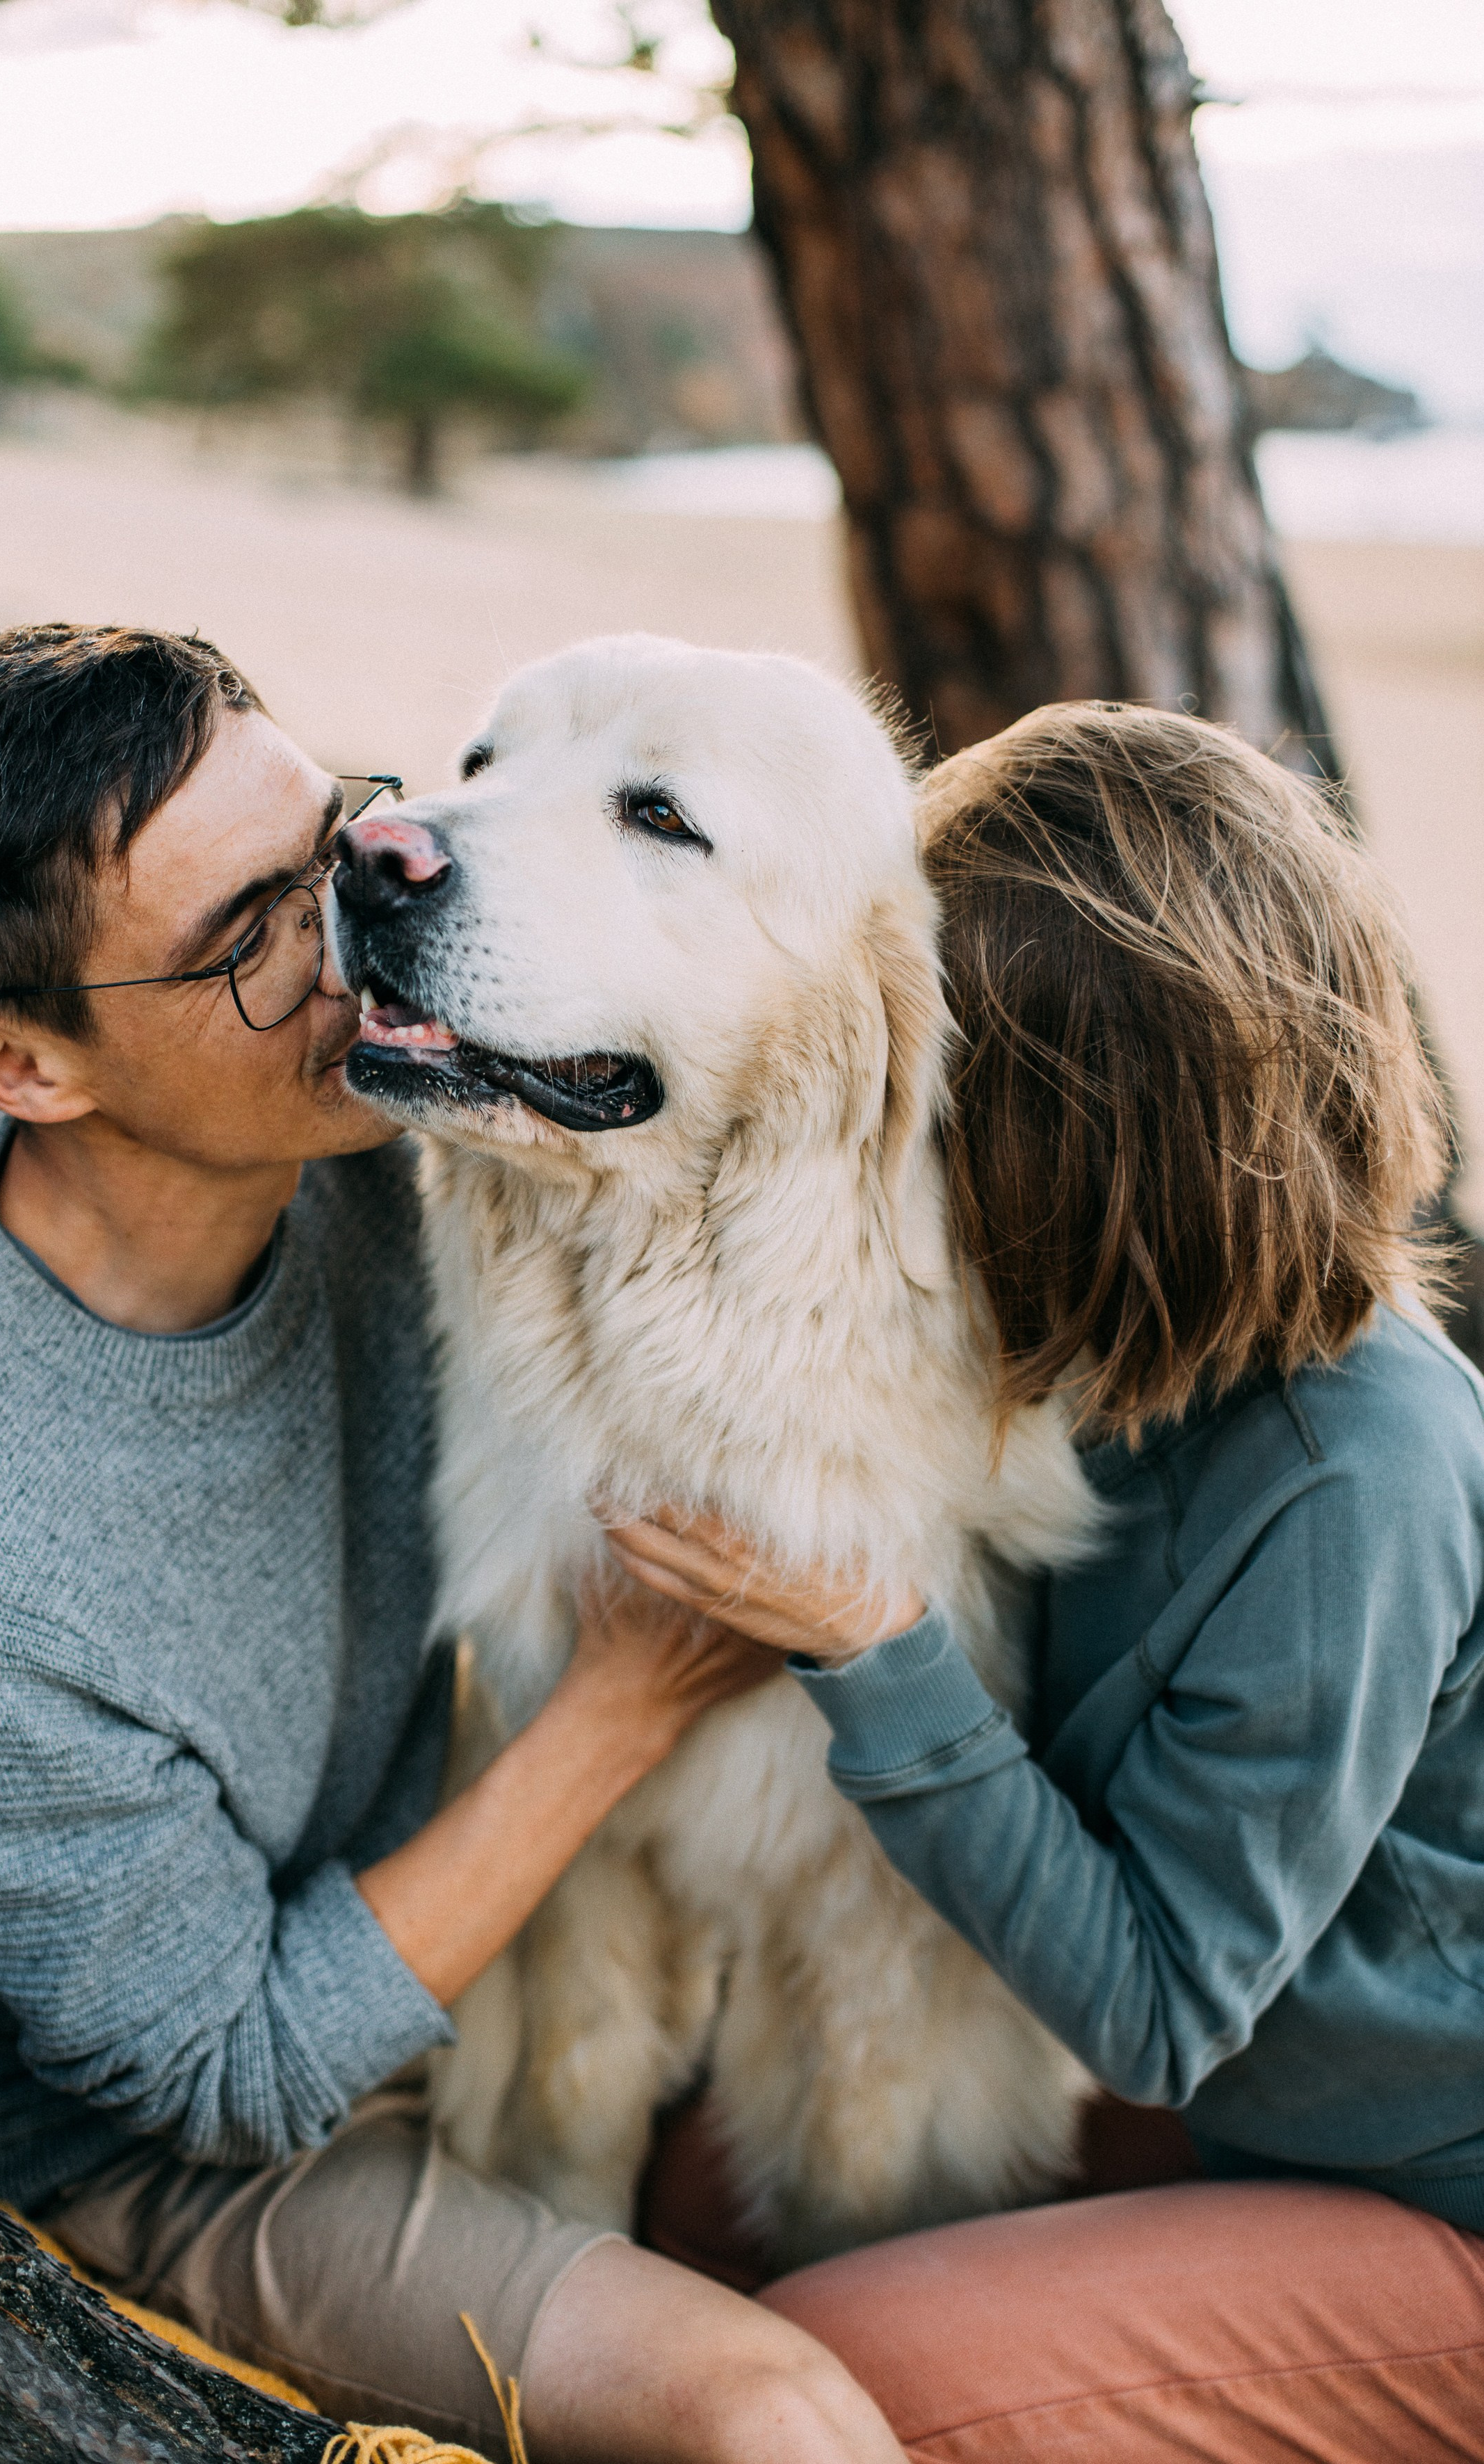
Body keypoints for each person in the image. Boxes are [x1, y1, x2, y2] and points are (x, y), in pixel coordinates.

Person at [0, 624, 908, 2464]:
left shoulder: (347, 1089)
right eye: (241, 936)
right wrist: (626, 1706)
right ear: (20, 1062)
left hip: (428, 1875)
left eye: (335, 832)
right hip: (169, 2143)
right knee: (774, 2414)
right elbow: (226, 2074)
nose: (360, 921)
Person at [611, 704, 1484, 2461]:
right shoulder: (1072, 1329)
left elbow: (1161, 2006)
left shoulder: (1350, 1471)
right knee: (689, 2200)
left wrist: (878, 1651)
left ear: (1086, 1140)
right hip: (1256, 2093)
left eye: (935, 1065)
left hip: (1423, 2173)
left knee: (831, 2372)